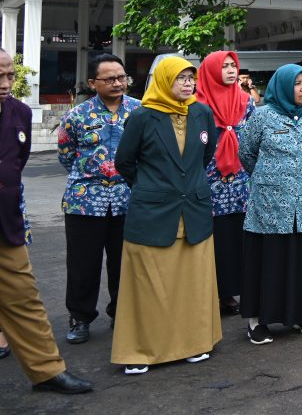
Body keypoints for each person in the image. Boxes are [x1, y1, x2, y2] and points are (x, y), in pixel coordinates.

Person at [112, 56, 221, 375]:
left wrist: (187, 184)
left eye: (191, 78)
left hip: (194, 211)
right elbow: (125, 162)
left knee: (191, 284)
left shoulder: (201, 112)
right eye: (181, 78)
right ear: (163, 80)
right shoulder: (143, 116)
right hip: (153, 212)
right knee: (148, 286)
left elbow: (205, 155)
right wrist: (152, 186)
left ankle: (194, 343)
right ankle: (140, 351)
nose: (188, 83)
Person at [0, 49, 94, 394]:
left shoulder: (20, 113)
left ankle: (47, 371)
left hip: (6, 224)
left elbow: (15, 165)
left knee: (24, 299)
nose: (6, 84)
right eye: (0, 77)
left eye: (9, 75)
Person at [238, 64, 302, 344]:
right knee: (269, 259)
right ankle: (258, 321)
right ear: (282, 86)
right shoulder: (262, 116)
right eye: (297, 83)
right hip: (269, 201)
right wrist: (273, 179)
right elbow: (246, 153)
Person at [56, 53, 141, 344]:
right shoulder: (76, 116)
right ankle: (80, 317)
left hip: (128, 200)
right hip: (85, 202)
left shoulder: (140, 112)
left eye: (122, 77)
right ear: (93, 83)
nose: (118, 83)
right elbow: (66, 156)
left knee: (124, 263)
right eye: (110, 79)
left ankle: (122, 314)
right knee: (83, 265)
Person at [194, 51, 256, 317]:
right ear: (210, 70)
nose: (231, 70)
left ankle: (231, 292)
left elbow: (254, 140)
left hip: (240, 185)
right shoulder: (196, 104)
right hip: (208, 184)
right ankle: (209, 292)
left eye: (234, 66)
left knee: (237, 238)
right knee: (212, 240)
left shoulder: (245, 102)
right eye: (225, 66)